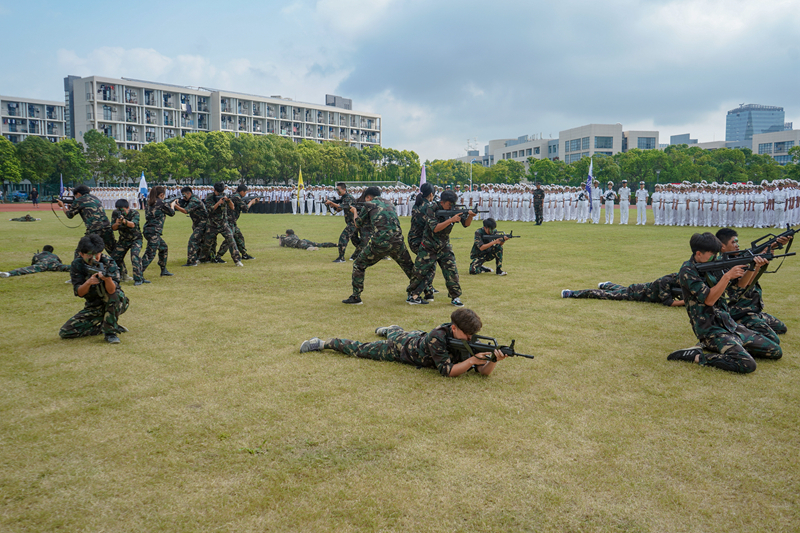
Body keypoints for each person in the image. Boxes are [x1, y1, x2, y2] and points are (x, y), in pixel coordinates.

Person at [667, 232, 781, 373]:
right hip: (710, 330)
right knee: (747, 364)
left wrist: (754, 267)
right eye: (712, 254)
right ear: (698, 254)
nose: (715, 257)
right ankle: (696, 356)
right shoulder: (688, 271)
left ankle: (730, 346)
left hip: (729, 324)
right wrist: (727, 276)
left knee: (775, 349)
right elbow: (709, 300)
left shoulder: (713, 264)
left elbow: (738, 289)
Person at [299, 308, 507, 377]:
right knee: (361, 349)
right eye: (467, 334)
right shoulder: (439, 336)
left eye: (472, 335)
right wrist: (471, 360)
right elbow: (447, 370)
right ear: (454, 328)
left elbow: (482, 372)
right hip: (402, 349)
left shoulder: (466, 339)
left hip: (416, 338)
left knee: (400, 332)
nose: (470, 339)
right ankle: (324, 343)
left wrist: (492, 361)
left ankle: (392, 329)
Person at [342, 186, 416, 305]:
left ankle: (356, 297)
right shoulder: (390, 203)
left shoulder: (368, 205)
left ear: (368, 197)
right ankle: (424, 292)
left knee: (358, 264)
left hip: (380, 242)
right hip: (398, 240)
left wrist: (355, 212)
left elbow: (358, 224)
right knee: (410, 268)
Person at [716, 228, 789, 344]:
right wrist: (755, 266)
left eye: (737, 241)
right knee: (773, 340)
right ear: (722, 246)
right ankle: (737, 330)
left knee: (781, 328)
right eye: (733, 242)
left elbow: (760, 250)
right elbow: (742, 284)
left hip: (752, 310)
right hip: (739, 312)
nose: (737, 245)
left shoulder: (740, 256)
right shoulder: (722, 264)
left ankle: (750, 325)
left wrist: (776, 243)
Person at [407, 190, 474, 307]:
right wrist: (451, 220)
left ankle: (455, 297)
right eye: (449, 205)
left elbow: (466, 224)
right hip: (429, 245)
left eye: (452, 205)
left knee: (451, 271)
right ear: (442, 202)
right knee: (420, 272)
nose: (451, 207)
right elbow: (435, 228)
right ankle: (413, 296)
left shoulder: (454, 209)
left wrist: (470, 216)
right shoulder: (431, 208)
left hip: (444, 245)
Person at [59, 234, 129, 344]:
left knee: (114, 295)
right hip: (94, 305)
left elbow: (112, 291)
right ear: (81, 254)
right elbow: (79, 292)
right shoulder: (77, 265)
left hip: (116, 303)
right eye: (89, 254)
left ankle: (110, 333)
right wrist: (88, 283)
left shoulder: (108, 262)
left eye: (97, 254)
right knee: (66, 332)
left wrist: (107, 279)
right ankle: (105, 325)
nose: (94, 258)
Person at [57, 184, 116, 256]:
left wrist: (62, 206)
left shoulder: (79, 200)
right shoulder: (95, 198)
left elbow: (69, 215)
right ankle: (118, 263)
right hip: (107, 227)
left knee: (80, 252)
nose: (76, 197)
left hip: (94, 229)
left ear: (78, 194)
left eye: (76, 196)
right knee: (114, 252)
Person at [561, 273, 684, 306]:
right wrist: (686, 301)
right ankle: (571, 293)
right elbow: (668, 302)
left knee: (621, 290)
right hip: (634, 294)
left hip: (637, 290)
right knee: (604, 295)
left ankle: (607, 284)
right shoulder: (666, 281)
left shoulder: (678, 279)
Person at [202, 182, 244, 267]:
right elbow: (210, 210)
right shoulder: (210, 196)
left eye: (222, 192)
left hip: (223, 224)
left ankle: (237, 260)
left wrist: (228, 201)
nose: (220, 194)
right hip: (212, 224)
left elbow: (232, 207)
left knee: (231, 240)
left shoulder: (225, 195)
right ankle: (202, 258)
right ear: (214, 190)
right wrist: (218, 203)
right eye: (219, 192)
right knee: (207, 244)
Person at [141, 185, 177, 277]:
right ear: (161, 194)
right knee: (150, 253)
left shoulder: (150, 202)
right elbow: (172, 213)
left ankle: (163, 269)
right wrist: (172, 205)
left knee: (163, 248)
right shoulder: (161, 203)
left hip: (149, 230)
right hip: (154, 231)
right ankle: (138, 273)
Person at [110, 199, 147, 286]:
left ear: (128, 208)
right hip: (123, 240)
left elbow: (133, 225)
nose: (121, 212)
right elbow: (113, 228)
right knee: (114, 258)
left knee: (134, 256)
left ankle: (138, 279)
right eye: (119, 210)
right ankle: (112, 277)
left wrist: (124, 221)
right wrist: (117, 223)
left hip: (136, 239)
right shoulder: (115, 213)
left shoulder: (134, 213)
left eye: (123, 210)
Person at [217, 184, 258, 261]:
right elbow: (245, 208)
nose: (245, 194)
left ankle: (244, 254)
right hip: (230, 221)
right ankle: (218, 256)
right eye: (245, 192)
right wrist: (251, 202)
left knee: (239, 237)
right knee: (229, 240)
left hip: (232, 221)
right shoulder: (237, 197)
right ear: (242, 191)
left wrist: (254, 202)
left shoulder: (234, 195)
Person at [173, 186, 211, 266]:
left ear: (189, 194)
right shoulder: (191, 199)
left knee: (193, 241)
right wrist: (179, 203)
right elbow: (185, 205)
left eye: (184, 195)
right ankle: (203, 258)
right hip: (198, 223)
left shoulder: (194, 200)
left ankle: (192, 261)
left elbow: (186, 211)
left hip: (203, 223)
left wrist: (175, 206)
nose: (183, 197)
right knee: (201, 241)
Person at [325, 183, 359, 263]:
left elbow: (340, 207)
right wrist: (333, 205)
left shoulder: (348, 198)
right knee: (356, 241)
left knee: (343, 238)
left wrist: (332, 203)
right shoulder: (344, 198)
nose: (337, 191)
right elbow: (339, 209)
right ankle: (369, 253)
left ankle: (341, 258)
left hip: (353, 222)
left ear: (344, 189)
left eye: (338, 190)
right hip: (352, 222)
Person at [0, 245, 71, 277]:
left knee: (26, 269)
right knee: (70, 267)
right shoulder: (54, 255)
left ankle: (8, 274)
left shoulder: (37, 255)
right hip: (54, 264)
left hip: (42, 264)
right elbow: (60, 262)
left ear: (43, 250)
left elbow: (33, 263)